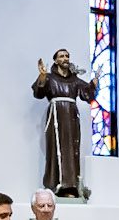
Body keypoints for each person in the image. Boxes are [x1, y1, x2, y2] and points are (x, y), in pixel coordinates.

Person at [32, 49, 97, 199]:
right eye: (61, 56)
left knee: (71, 150)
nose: (65, 58)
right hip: (56, 116)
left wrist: (93, 85)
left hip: (72, 118)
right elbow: (39, 93)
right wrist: (42, 76)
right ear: (55, 60)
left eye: (67, 56)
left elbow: (86, 94)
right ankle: (54, 185)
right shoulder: (49, 77)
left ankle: (71, 186)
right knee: (55, 149)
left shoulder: (74, 79)